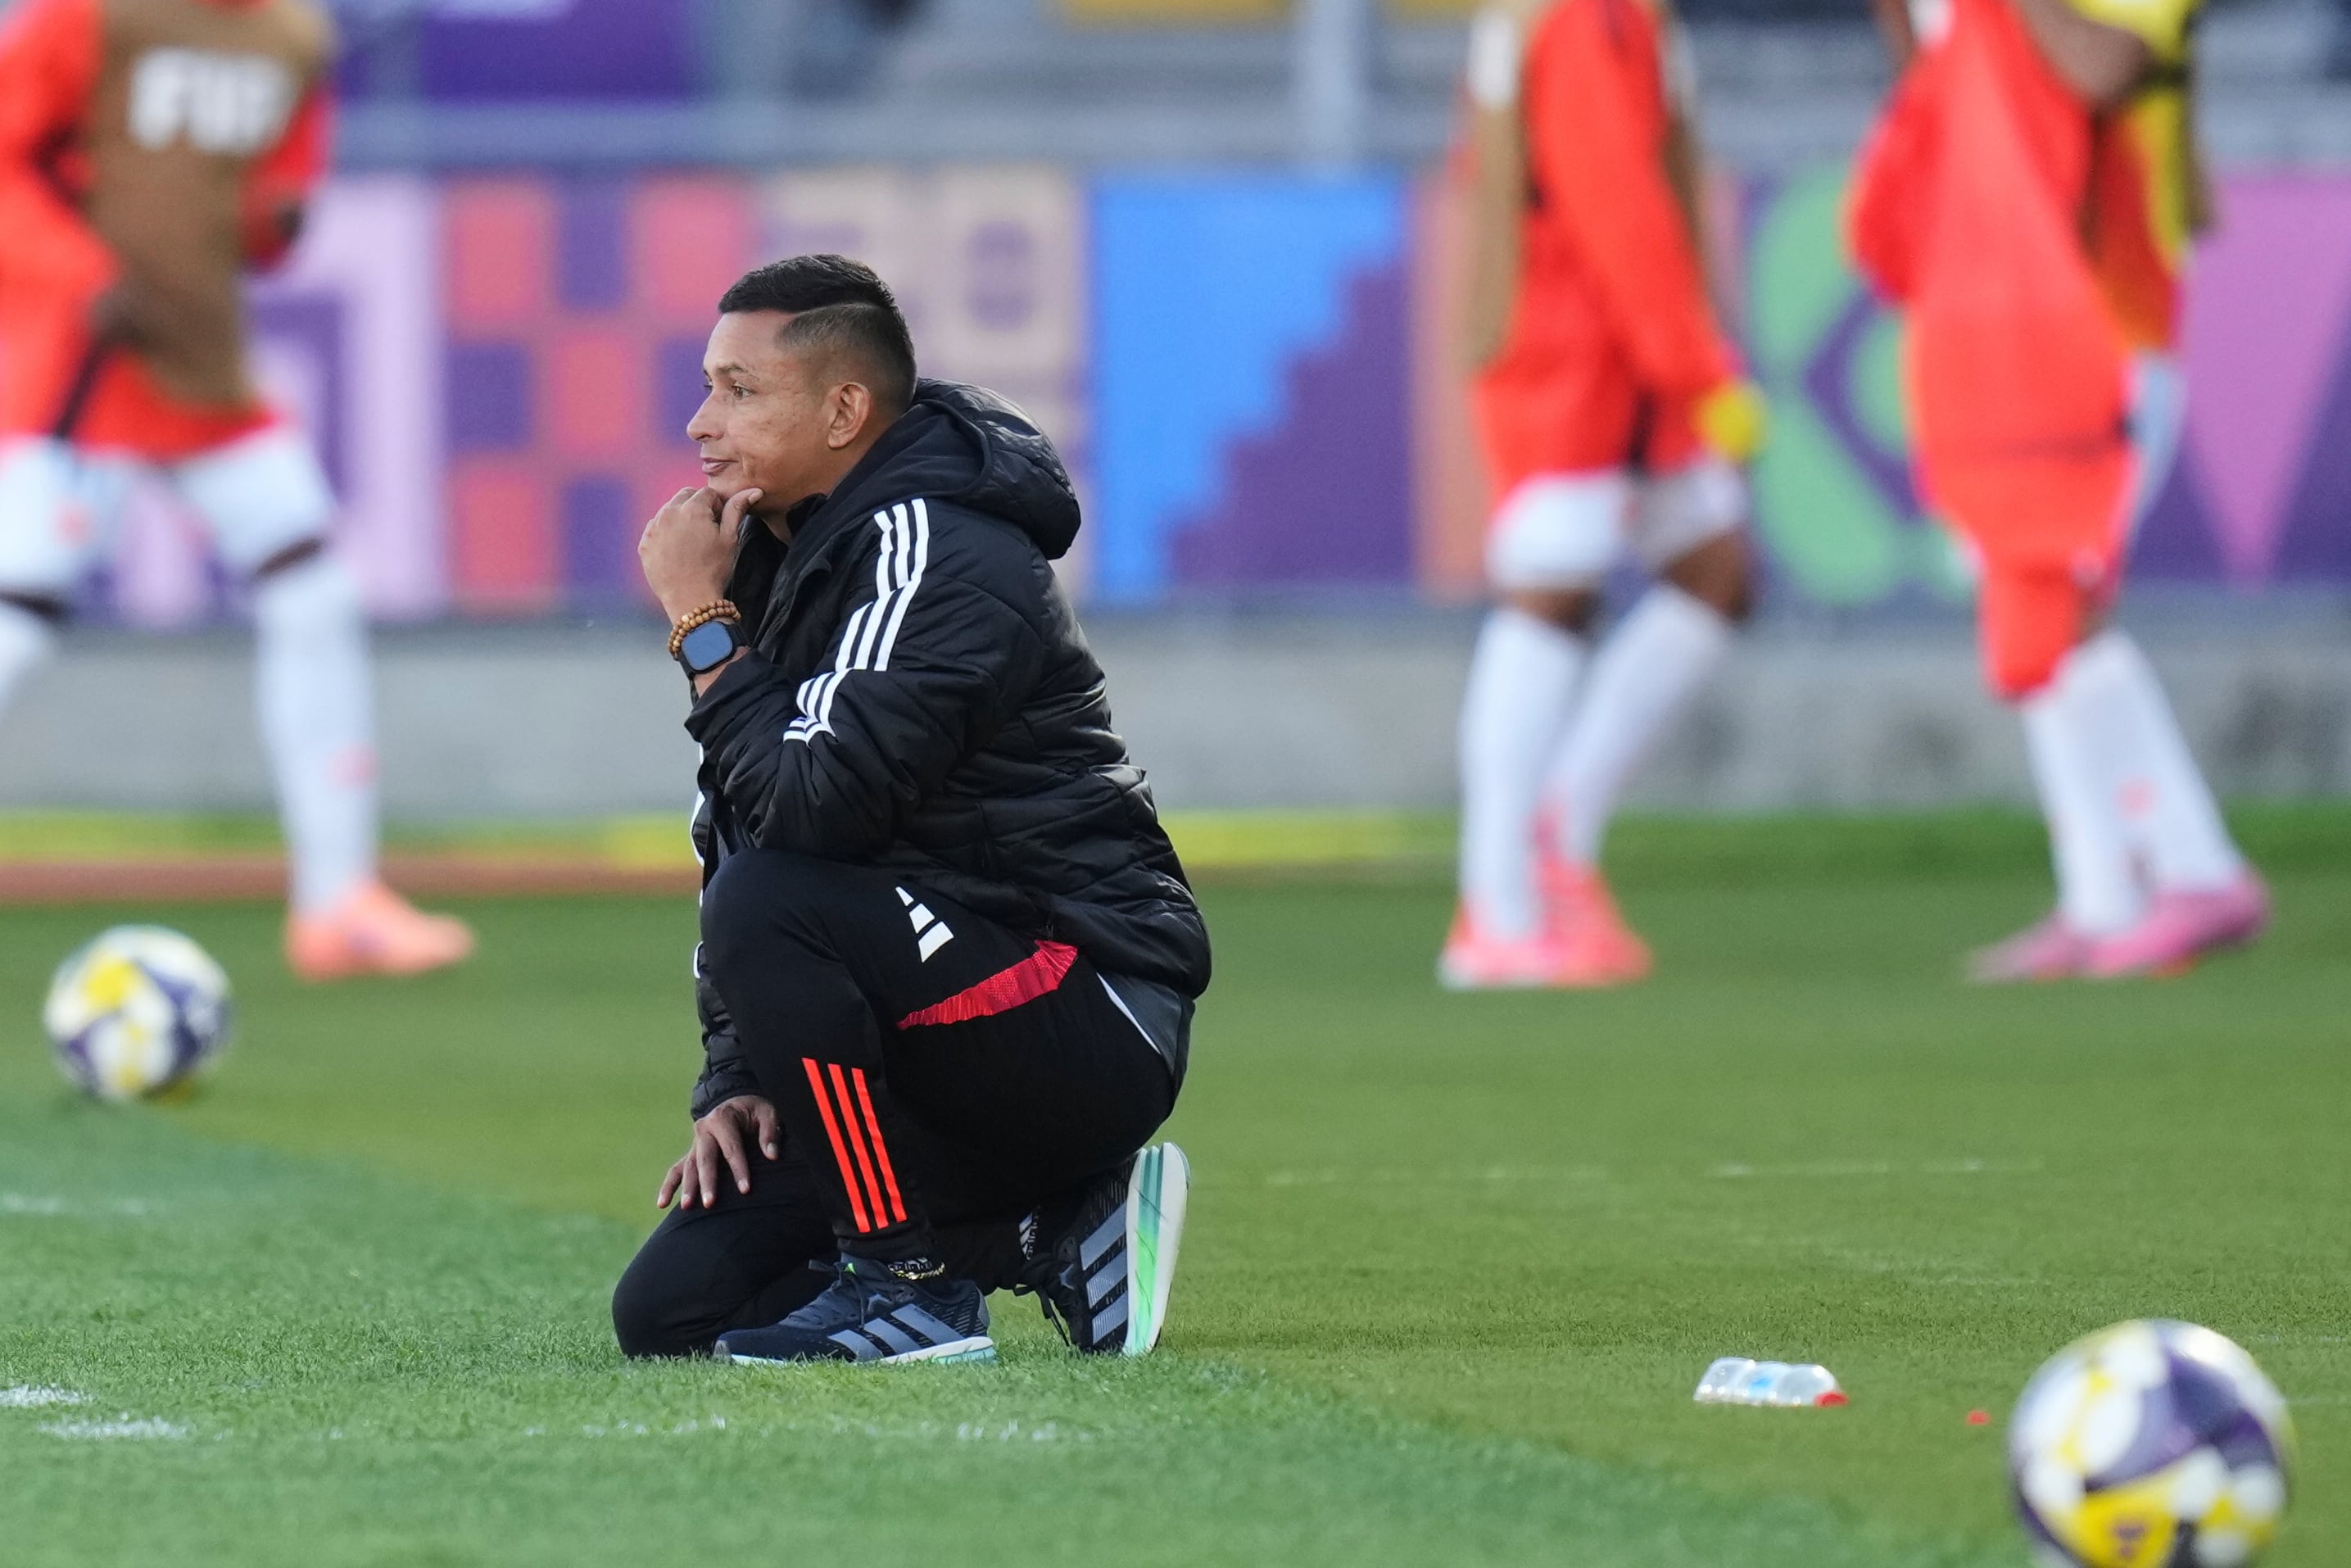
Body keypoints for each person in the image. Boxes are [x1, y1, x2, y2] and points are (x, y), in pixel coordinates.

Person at [611, 256, 1206, 1366]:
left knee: (772, 902)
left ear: (843, 410)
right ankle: (1057, 1230)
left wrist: (700, 624)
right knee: (673, 1314)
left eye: (740, 389)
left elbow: (806, 812)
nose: (700, 422)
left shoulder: (932, 546)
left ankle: (910, 1285)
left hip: (1085, 1007)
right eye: (705, 385)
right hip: (945, 1022)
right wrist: (739, 1077)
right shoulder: (786, 551)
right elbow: (736, 816)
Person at [0, 0, 472, 981]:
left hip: (201, 364)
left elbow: (270, 212)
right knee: (23, 614)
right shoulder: (90, 15)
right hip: (83, 360)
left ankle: (337, 902)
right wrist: (77, 272)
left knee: (313, 591)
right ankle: (338, 898)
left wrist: (273, 219)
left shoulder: (292, 37)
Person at [1852, 0, 2265, 979]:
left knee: (2057, 595)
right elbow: (1940, 83)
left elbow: (2102, 65)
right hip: (2019, 306)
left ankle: (2194, 867)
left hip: (2104, 319)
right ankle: (2101, 894)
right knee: (2031, 592)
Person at [1442, 0, 1769, 990]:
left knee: (1714, 574)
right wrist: (1696, 368)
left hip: (1592, 345)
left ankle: (1553, 835)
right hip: (1576, 350)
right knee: (1551, 593)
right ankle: (1494, 909)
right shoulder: (1589, 17)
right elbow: (1614, 202)